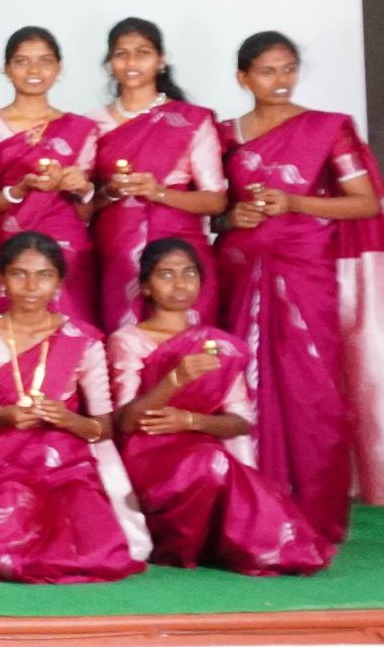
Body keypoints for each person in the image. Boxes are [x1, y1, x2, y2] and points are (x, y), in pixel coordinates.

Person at [217, 31, 384, 540]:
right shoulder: (224, 136)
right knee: (241, 386)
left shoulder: (326, 130)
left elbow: (364, 202)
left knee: (312, 388)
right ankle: (251, 510)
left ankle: (314, 513)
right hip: (240, 271)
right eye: (267, 71)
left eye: (288, 69)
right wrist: (230, 216)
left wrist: (295, 203)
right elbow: (216, 206)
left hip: (306, 271)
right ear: (243, 78)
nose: (280, 81)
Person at [110, 237, 331, 574]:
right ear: (146, 287)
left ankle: (255, 547)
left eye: (189, 273)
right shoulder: (128, 340)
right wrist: (175, 379)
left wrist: (190, 421)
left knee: (216, 463)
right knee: (212, 463)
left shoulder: (218, 345)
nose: (180, 284)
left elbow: (241, 420)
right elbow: (125, 422)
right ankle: (179, 547)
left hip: (201, 447)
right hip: (146, 453)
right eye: (166, 275)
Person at [0, 232, 149, 583]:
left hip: (66, 462)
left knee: (95, 546)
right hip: (0, 462)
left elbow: (103, 428)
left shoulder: (82, 340)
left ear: (59, 282)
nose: (31, 286)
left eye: (44, 275)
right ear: (1, 280)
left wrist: (68, 419)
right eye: (19, 274)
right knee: (0, 543)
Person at [88, 18, 225, 329]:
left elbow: (216, 201)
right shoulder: (91, 125)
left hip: (180, 256)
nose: (131, 62)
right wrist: (109, 192)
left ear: (161, 60)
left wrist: (158, 192)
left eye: (143, 52)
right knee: (124, 343)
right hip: (116, 256)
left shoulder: (189, 120)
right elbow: (81, 206)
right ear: (109, 63)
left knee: (186, 344)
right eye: (121, 54)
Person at [0, 27, 101, 323]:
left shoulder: (81, 128)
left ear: (58, 67)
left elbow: (86, 212)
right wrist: (20, 189)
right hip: (5, 241)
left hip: (66, 245)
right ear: (6, 68)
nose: (34, 70)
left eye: (45, 61)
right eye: (22, 61)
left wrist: (81, 187)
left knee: (69, 327)